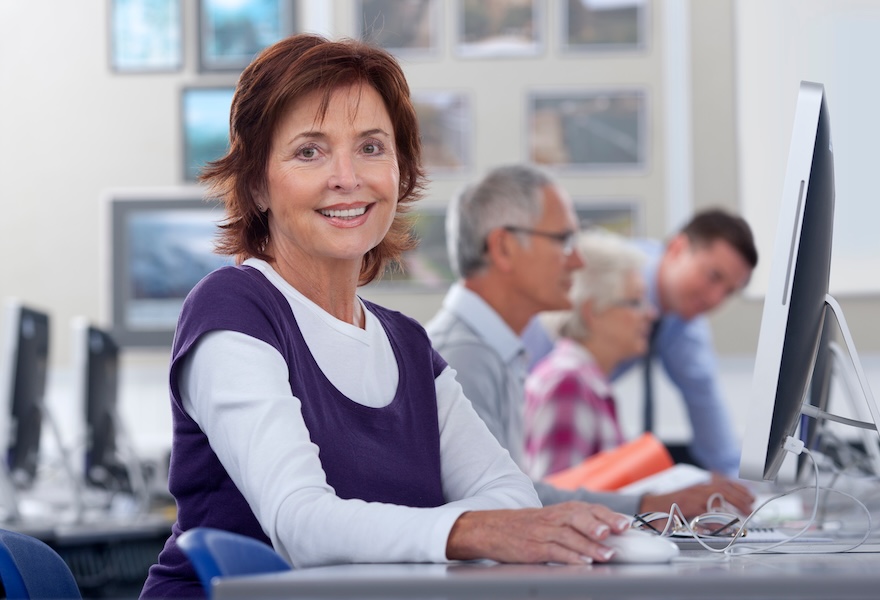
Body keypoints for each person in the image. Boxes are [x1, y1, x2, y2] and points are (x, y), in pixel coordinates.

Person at [140, 35, 634, 599]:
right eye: (310, 152)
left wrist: (489, 528)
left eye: (371, 147)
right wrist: (470, 530)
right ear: (256, 185)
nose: (347, 177)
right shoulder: (233, 307)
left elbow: (512, 497)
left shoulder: (407, 343)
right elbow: (300, 524)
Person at [426, 164, 754, 521]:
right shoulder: (463, 359)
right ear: (504, 248)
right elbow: (501, 506)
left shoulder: (499, 352)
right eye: (563, 241)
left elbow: (513, 492)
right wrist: (647, 506)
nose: (578, 260)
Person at [523, 208, 758, 476]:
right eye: (714, 276)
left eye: (729, 292)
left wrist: (736, 488)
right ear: (678, 248)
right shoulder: (566, 378)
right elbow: (555, 486)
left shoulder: (684, 322)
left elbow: (706, 405)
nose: (716, 299)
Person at [524, 230, 656, 479]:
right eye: (636, 302)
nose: (651, 314)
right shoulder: (568, 384)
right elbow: (557, 495)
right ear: (592, 311)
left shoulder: (584, 381)